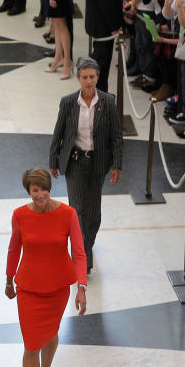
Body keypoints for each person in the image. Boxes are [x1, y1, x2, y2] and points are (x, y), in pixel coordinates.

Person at [5, 167, 87, 367]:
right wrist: (8, 279)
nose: (39, 195)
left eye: (43, 189)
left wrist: (81, 287)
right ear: (28, 192)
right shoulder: (19, 215)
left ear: (50, 188)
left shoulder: (68, 214)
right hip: (28, 287)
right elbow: (14, 247)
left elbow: (79, 251)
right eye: (34, 190)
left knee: (50, 334)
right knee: (31, 345)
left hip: (58, 287)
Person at [49, 57, 123, 272]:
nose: (89, 81)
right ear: (78, 78)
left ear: (98, 77)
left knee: (93, 212)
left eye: (92, 77)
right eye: (84, 77)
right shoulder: (68, 102)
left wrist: (117, 165)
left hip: (98, 163)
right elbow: (59, 132)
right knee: (77, 210)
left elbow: (117, 136)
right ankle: (82, 259)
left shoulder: (108, 102)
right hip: (74, 162)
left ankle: (86, 245)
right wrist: (53, 160)